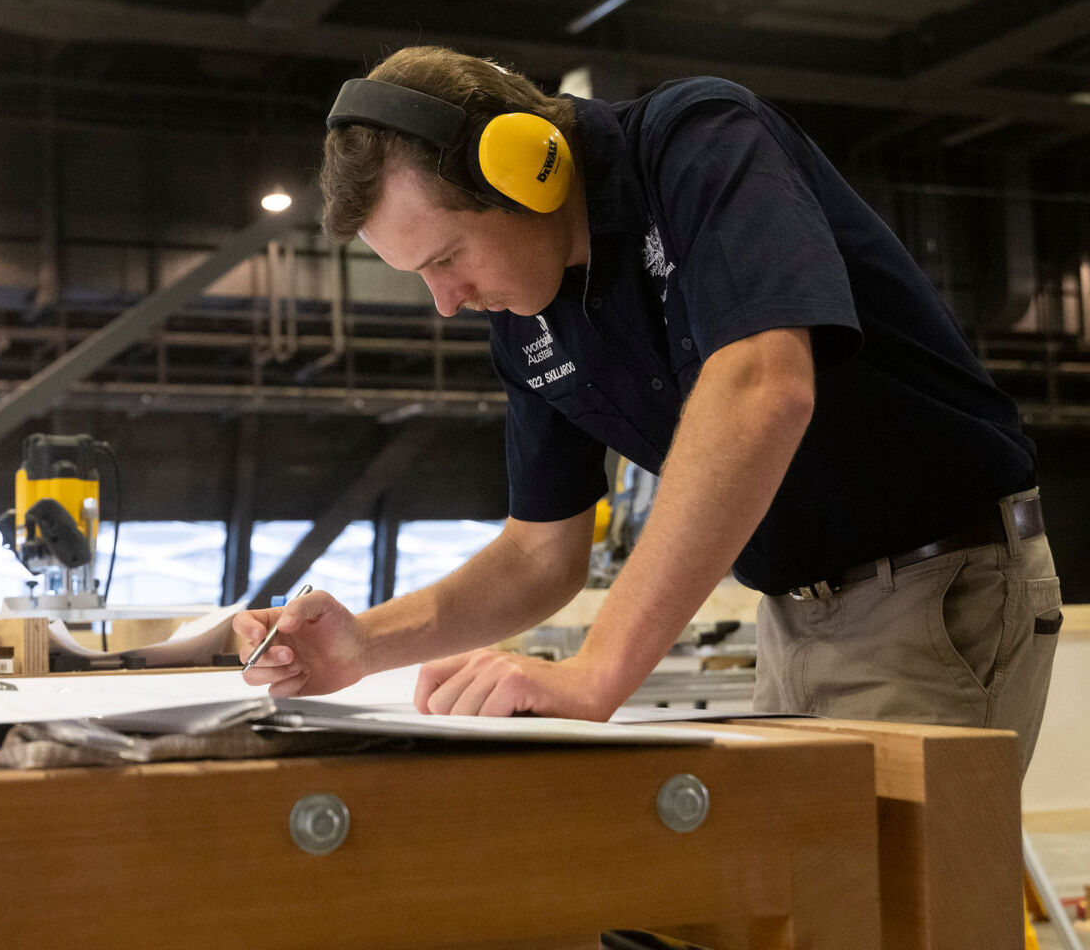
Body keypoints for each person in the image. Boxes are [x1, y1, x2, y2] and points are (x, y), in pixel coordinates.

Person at [234, 45, 1062, 770]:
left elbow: (765, 384)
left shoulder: (698, 143)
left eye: (447, 257)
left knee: (890, 916)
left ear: (529, 168)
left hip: (936, 585)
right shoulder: (528, 320)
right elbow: (538, 556)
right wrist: (365, 645)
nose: (446, 301)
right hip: (796, 615)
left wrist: (597, 669)